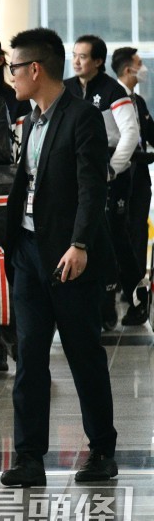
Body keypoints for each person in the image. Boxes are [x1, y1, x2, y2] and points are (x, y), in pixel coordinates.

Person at [0, 27, 118, 487]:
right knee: (29, 356)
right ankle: (29, 457)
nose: (11, 77)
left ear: (35, 69)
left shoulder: (81, 117)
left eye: (13, 68)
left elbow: (93, 187)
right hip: (29, 252)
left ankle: (102, 450)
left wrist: (81, 243)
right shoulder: (32, 120)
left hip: (69, 256)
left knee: (83, 353)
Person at [64, 34, 141, 330]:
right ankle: (90, 302)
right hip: (78, 170)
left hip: (111, 170)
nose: (77, 61)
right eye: (74, 55)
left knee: (112, 234)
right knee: (83, 233)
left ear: (98, 61)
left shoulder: (112, 90)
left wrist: (111, 169)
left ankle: (121, 299)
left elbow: (130, 133)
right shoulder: (67, 89)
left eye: (83, 56)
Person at [113, 46, 154, 324]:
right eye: (140, 64)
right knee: (120, 232)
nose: (144, 69)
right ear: (128, 69)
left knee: (138, 231)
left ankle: (135, 291)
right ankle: (117, 285)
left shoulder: (138, 101)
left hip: (140, 178)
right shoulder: (110, 97)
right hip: (118, 178)